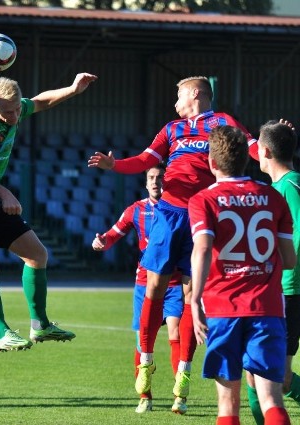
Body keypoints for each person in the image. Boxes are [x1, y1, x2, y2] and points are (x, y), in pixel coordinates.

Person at [88, 76, 257, 399]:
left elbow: (249, 147)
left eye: (178, 96)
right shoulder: (171, 130)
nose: (174, 103)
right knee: (154, 284)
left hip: (204, 213)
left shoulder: (223, 122)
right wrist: (114, 165)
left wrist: (273, 147)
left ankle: (184, 370)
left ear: (195, 94)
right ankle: (147, 361)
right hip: (169, 213)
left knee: (193, 291)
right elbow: (145, 160)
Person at [0, 73, 98, 352]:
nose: (15, 115)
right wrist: (4, 192)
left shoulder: (13, 108)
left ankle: (40, 325)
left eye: (17, 109)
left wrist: (74, 89)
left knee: (37, 255)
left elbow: (41, 101)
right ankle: (1, 333)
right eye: (8, 111)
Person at [189, 125, 294, 425]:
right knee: (271, 399)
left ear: (211, 163)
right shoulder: (273, 197)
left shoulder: (203, 200)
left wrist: (195, 300)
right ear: (246, 160)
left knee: (227, 403)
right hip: (268, 309)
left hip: (223, 309)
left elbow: (202, 249)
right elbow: (288, 260)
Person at [92, 164, 189, 414]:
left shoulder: (182, 209)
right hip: (145, 283)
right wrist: (102, 241)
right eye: (151, 178)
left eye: (160, 177)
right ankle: (145, 396)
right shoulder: (136, 210)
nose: (156, 181)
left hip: (175, 282)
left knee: (176, 330)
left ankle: (180, 394)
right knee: (142, 340)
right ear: (146, 183)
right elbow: (113, 233)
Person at [246, 120, 300, 423]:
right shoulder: (282, 185)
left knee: (277, 377)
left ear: (264, 151)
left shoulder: (288, 187)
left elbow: (298, 237)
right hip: (280, 291)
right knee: (257, 372)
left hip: (288, 289)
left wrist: (280, 270)